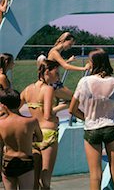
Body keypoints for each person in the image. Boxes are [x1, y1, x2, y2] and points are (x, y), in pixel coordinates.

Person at [69, 49, 114, 190]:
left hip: (91, 128)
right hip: (111, 127)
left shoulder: (84, 82)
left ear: (93, 63)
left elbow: (72, 109)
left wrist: (86, 117)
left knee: (95, 175)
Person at [20, 60, 64, 189]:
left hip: (33, 135)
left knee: (34, 179)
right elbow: (47, 114)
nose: (58, 76)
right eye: (56, 73)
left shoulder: (28, 89)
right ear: (47, 72)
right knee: (45, 179)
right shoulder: (48, 89)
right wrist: (61, 107)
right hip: (47, 134)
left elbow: (15, 108)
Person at [0, 89, 43, 190]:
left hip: (8, 161)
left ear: (3, 105)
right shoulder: (31, 121)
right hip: (25, 160)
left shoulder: (1, 123)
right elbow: (40, 138)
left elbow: (1, 146)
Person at [48, 32, 90, 102]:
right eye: (69, 44)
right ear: (64, 41)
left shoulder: (56, 51)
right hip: (53, 84)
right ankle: (54, 111)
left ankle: (53, 111)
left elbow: (54, 65)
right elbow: (65, 66)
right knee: (74, 100)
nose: (70, 47)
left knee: (54, 108)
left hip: (55, 83)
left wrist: (68, 61)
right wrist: (84, 68)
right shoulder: (54, 52)